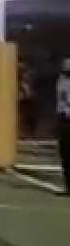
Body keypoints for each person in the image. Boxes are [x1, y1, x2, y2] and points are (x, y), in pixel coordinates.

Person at [57, 59, 70, 195]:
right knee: (65, 154)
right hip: (63, 119)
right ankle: (68, 186)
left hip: (67, 119)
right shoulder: (62, 80)